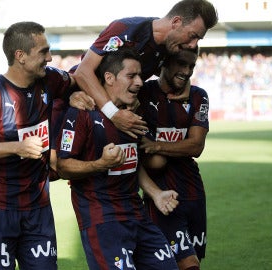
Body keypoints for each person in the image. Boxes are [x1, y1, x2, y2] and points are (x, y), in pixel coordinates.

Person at [0, 21, 76, 270]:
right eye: (43, 51)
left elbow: (78, 80)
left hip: (38, 208)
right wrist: (16, 147)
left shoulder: (51, 80)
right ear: (20, 56)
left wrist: (75, 95)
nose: (50, 57)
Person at [55, 48, 180, 270]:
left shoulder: (131, 115)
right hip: (102, 220)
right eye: (131, 76)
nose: (140, 82)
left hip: (137, 214)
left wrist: (156, 193)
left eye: (140, 76)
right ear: (109, 78)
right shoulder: (82, 113)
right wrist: (100, 164)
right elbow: (63, 167)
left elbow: (133, 164)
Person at [72, 0, 218, 138]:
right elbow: (82, 72)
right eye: (193, 36)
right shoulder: (126, 29)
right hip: (79, 101)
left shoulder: (171, 47)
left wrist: (185, 83)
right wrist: (114, 114)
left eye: (198, 39)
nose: (193, 45)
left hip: (114, 113)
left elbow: (169, 72)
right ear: (176, 22)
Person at [137, 47, 209, 270]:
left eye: (191, 66)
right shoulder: (143, 92)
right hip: (162, 193)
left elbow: (196, 146)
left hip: (193, 191)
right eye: (181, 64)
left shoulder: (199, 95)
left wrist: (157, 145)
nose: (187, 71)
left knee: (194, 259)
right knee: (187, 264)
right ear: (164, 63)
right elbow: (151, 160)